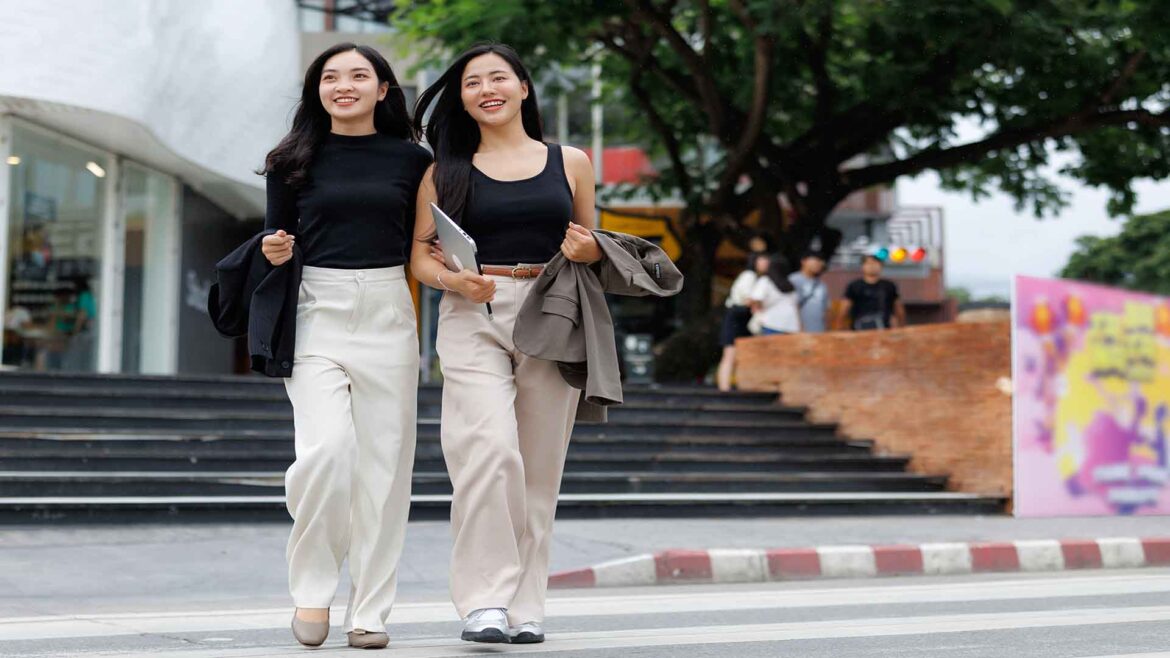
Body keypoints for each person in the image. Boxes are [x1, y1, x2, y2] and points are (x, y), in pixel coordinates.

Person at [410, 42, 599, 645]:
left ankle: (525, 609)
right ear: (461, 98)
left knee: (539, 470)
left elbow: (591, 243)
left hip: (552, 308)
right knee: (489, 451)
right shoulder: (444, 169)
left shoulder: (570, 161)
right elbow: (418, 254)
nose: (486, 88)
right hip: (474, 310)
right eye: (472, 82)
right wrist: (451, 279)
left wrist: (588, 250)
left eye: (499, 77)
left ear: (523, 87)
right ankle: (483, 601)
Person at [259, 42, 431, 650]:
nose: (344, 85)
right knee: (327, 452)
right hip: (315, 311)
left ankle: (372, 608)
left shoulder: (414, 160)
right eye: (331, 77)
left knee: (386, 467)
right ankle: (311, 589)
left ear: (384, 89)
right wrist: (273, 249)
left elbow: (423, 244)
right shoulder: (290, 159)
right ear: (317, 90)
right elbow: (274, 239)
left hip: (389, 306)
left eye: (360, 75)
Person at [717, 251, 767, 391]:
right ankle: (724, 388)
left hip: (742, 317)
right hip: (737, 316)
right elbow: (747, 299)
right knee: (730, 353)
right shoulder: (748, 276)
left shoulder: (757, 278)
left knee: (738, 355)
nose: (766, 263)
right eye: (763, 260)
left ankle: (734, 385)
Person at [838, 254, 906, 331]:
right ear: (863, 266)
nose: (872, 266)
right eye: (868, 263)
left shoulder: (889, 286)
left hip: (884, 329)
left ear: (881, 266)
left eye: (875, 263)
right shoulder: (854, 286)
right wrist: (841, 328)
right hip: (860, 330)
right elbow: (844, 309)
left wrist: (901, 327)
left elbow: (898, 308)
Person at [748, 254, 802, 335]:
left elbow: (755, 300)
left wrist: (757, 309)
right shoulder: (791, 285)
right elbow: (796, 307)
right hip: (791, 326)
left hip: (771, 324)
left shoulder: (765, 281)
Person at [788, 251, 829, 333]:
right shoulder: (793, 280)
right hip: (797, 331)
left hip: (819, 331)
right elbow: (791, 306)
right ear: (803, 261)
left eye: (820, 262)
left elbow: (826, 310)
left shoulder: (821, 285)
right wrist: (799, 327)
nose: (818, 264)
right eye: (816, 260)